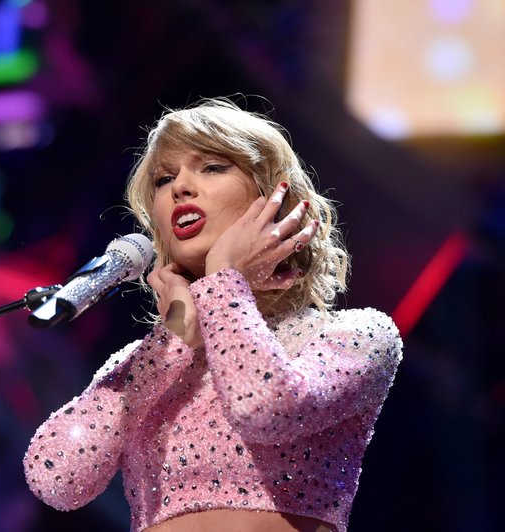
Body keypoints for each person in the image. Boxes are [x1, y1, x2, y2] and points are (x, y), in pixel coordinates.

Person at [23, 98, 403, 532]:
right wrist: (172, 342)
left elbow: (266, 408)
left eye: (212, 167)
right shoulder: (145, 361)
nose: (181, 187)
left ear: (273, 199)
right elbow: (58, 479)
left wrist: (223, 280)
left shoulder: (352, 335)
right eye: (165, 179)